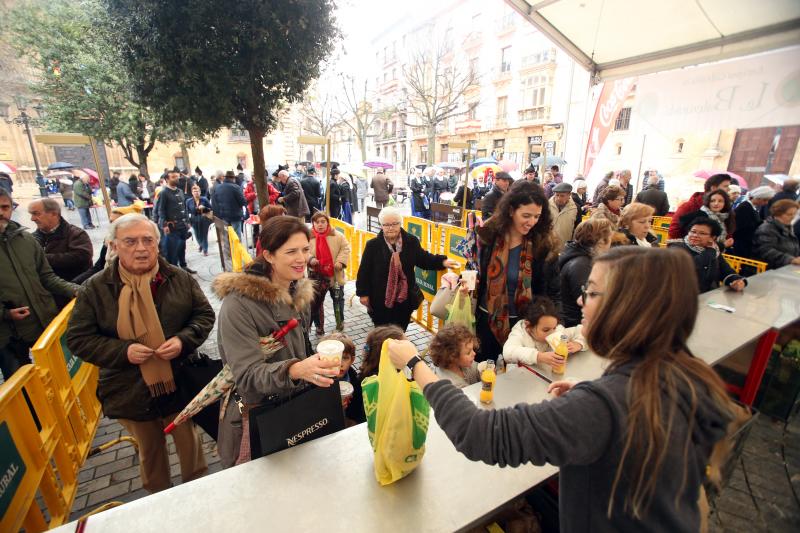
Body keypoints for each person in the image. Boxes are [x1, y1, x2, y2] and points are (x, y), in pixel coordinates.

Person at [386, 246, 740, 533]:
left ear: (630, 307)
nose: (581, 301)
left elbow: (481, 435)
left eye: (592, 291)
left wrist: (415, 363)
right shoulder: (681, 369)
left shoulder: (606, 405)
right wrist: (595, 392)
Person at [66, 213, 214, 493]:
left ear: (158, 244)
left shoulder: (178, 278)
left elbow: (204, 315)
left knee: (191, 449)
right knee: (150, 454)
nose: (141, 248)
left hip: (179, 382)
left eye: (148, 240)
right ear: (114, 245)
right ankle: (157, 503)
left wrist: (183, 341)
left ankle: (198, 497)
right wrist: (123, 351)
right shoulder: (96, 288)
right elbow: (78, 338)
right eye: (130, 241)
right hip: (130, 390)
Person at [214, 216, 339, 467]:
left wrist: (316, 368)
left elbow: (300, 350)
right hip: (261, 414)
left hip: (298, 406)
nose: (302, 259)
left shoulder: (297, 289)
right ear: (269, 255)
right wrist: (295, 370)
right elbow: (247, 376)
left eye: (305, 249)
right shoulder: (238, 306)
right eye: (291, 251)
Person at [475, 180, 559, 362]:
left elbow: (549, 291)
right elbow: (474, 271)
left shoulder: (542, 245)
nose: (532, 222)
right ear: (511, 210)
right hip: (487, 319)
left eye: (537, 216)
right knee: (484, 371)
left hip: (523, 325)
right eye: (526, 215)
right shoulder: (488, 236)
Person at [1, 190, 78, 379]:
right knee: (21, 385)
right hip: (6, 336)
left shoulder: (27, 240)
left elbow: (47, 277)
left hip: (41, 322)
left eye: (5, 207)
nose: (1, 212)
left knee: (58, 376)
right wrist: (4, 313)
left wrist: (77, 290)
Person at [356, 206, 459, 331]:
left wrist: (442, 261)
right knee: (382, 333)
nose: (390, 228)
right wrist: (363, 293)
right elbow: (364, 271)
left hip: (404, 300)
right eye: (386, 224)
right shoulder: (373, 245)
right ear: (381, 225)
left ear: (400, 223)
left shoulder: (411, 241)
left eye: (394, 224)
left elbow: (423, 258)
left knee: (400, 331)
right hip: (380, 299)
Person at [503, 295, 586, 371]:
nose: (552, 333)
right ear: (528, 325)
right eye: (546, 330)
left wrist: (579, 344)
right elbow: (508, 352)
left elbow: (584, 330)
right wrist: (538, 356)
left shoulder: (557, 331)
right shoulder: (520, 332)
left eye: (554, 327)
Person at [558, 218, 613, 327]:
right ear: (601, 241)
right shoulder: (581, 265)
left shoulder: (578, 258)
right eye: (610, 237)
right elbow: (587, 301)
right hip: (575, 324)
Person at [668, 218, 746, 292]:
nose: (695, 235)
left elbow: (726, 271)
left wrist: (737, 281)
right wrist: (709, 252)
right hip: (683, 295)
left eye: (702, 233)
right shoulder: (676, 247)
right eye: (693, 231)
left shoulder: (714, 250)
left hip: (708, 296)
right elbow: (691, 267)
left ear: (712, 238)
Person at [28, 198, 94, 283]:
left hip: (74, 288)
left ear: (54, 214)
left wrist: (42, 258)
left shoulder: (76, 234)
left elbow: (81, 257)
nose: (32, 219)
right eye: (31, 214)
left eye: (36, 214)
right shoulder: (32, 238)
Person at [73, 205, 142, 284]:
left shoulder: (140, 248)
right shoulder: (109, 241)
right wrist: (75, 283)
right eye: (111, 222)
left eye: (117, 222)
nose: (113, 226)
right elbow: (98, 267)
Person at [308, 212, 350, 335]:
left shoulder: (338, 236)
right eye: (317, 222)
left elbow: (345, 248)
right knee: (316, 303)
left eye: (323, 221)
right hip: (316, 276)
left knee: (338, 299)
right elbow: (303, 251)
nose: (320, 225)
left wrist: (340, 262)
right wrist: (310, 259)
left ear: (327, 222)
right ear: (313, 224)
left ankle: (339, 322)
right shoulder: (308, 237)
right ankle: (319, 327)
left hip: (335, 275)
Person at [319, 332, 364, 425]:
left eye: (345, 358)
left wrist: (354, 421)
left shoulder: (355, 379)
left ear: (352, 360)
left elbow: (359, 405)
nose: (339, 363)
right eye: (334, 358)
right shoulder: (318, 382)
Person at [669, 173, 731, 239]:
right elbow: (674, 231)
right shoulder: (690, 206)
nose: (729, 189)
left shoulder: (725, 209)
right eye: (725, 186)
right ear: (713, 188)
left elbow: (729, 231)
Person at [157, 169, 194, 273]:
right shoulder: (164, 192)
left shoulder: (180, 191)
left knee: (182, 248)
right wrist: (164, 225)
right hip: (172, 227)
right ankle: (173, 271)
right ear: (167, 179)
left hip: (182, 226)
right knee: (172, 251)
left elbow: (184, 207)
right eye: (173, 177)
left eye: (177, 176)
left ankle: (183, 266)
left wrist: (187, 221)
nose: (176, 178)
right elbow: (161, 210)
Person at [754, 199, 800, 268]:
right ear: (778, 214)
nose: (793, 217)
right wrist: (791, 259)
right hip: (767, 270)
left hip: (784, 267)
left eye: (794, 214)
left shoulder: (787, 226)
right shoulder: (767, 229)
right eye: (789, 214)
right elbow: (766, 251)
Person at [430, 324, 480, 389]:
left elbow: (476, 369)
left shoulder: (464, 362)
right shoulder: (450, 385)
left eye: (472, 349)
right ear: (452, 357)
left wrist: (483, 371)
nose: (474, 353)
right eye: (468, 353)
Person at [732, 186, 775, 259]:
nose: (766, 203)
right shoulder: (745, 207)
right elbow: (743, 228)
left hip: (745, 244)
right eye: (765, 200)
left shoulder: (751, 207)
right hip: (741, 245)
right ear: (759, 197)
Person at [212, 170, 247, 239]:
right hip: (235, 216)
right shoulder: (236, 187)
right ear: (232, 178)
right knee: (236, 236)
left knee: (228, 236)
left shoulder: (218, 188)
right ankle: (236, 249)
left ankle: (231, 249)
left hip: (224, 216)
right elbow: (243, 202)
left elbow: (215, 202)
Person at [548, 182, 579, 252]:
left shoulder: (575, 208)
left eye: (562, 196)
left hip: (564, 247)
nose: (558, 198)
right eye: (557, 195)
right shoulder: (547, 205)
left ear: (569, 195)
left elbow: (577, 228)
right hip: (548, 245)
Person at [186, 185, 212, 256]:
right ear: (192, 193)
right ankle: (201, 244)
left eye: (197, 191)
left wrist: (204, 208)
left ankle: (205, 250)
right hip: (194, 219)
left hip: (204, 219)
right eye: (194, 191)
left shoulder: (204, 199)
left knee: (204, 234)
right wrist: (188, 222)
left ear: (200, 192)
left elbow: (210, 209)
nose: (196, 193)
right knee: (197, 235)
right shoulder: (188, 201)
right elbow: (187, 212)